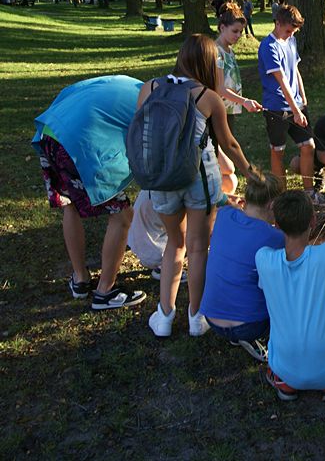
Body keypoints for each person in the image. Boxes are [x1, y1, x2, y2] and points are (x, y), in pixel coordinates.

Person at [139, 34, 258, 338]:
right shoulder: (207, 97)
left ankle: (164, 317)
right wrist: (248, 170)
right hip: (199, 179)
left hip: (161, 178)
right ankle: (196, 316)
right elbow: (228, 143)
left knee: (174, 245)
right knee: (198, 248)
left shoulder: (149, 88)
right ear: (207, 62)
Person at [32, 76, 147, 310]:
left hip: (51, 132)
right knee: (122, 215)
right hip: (77, 142)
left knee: (70, 204)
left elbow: (69, 91)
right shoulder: (152, 104)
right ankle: (105, 292)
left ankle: (80, 279)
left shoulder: (128, 82)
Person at [257, 191, 325, 402]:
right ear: (314, 221)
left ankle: (286, 383)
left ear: (277, 225)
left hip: (281, 365)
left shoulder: (263, 258)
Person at [200, 170, 284, 362]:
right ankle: (255, 338)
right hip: (250, 325)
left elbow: (234, 213)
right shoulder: (274, 237)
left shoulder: (224, 215)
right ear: (272, 205)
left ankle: (238, 337)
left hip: (212, 318)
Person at [258, 4, 322, 202]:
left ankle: (309, 193)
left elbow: (295, 70)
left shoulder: (291, 40)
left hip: (296, 105)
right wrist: (295, 109)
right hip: (276, 107)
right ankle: (281, 197)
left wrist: (302, 98)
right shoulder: (268, 46)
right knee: (278, 151)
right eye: (287, 30)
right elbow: (282, 80)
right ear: (277, 23)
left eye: (293, 31)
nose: (290, 34)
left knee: (308, 145)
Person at [215, 2, 262, 134]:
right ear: (222, 28)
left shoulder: (230, 51)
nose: (239, 35)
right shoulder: (216, 52)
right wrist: (244, 101)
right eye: (235, 31)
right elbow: (219, 87)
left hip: (228, 110)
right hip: (217, 110)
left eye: (241, 31)